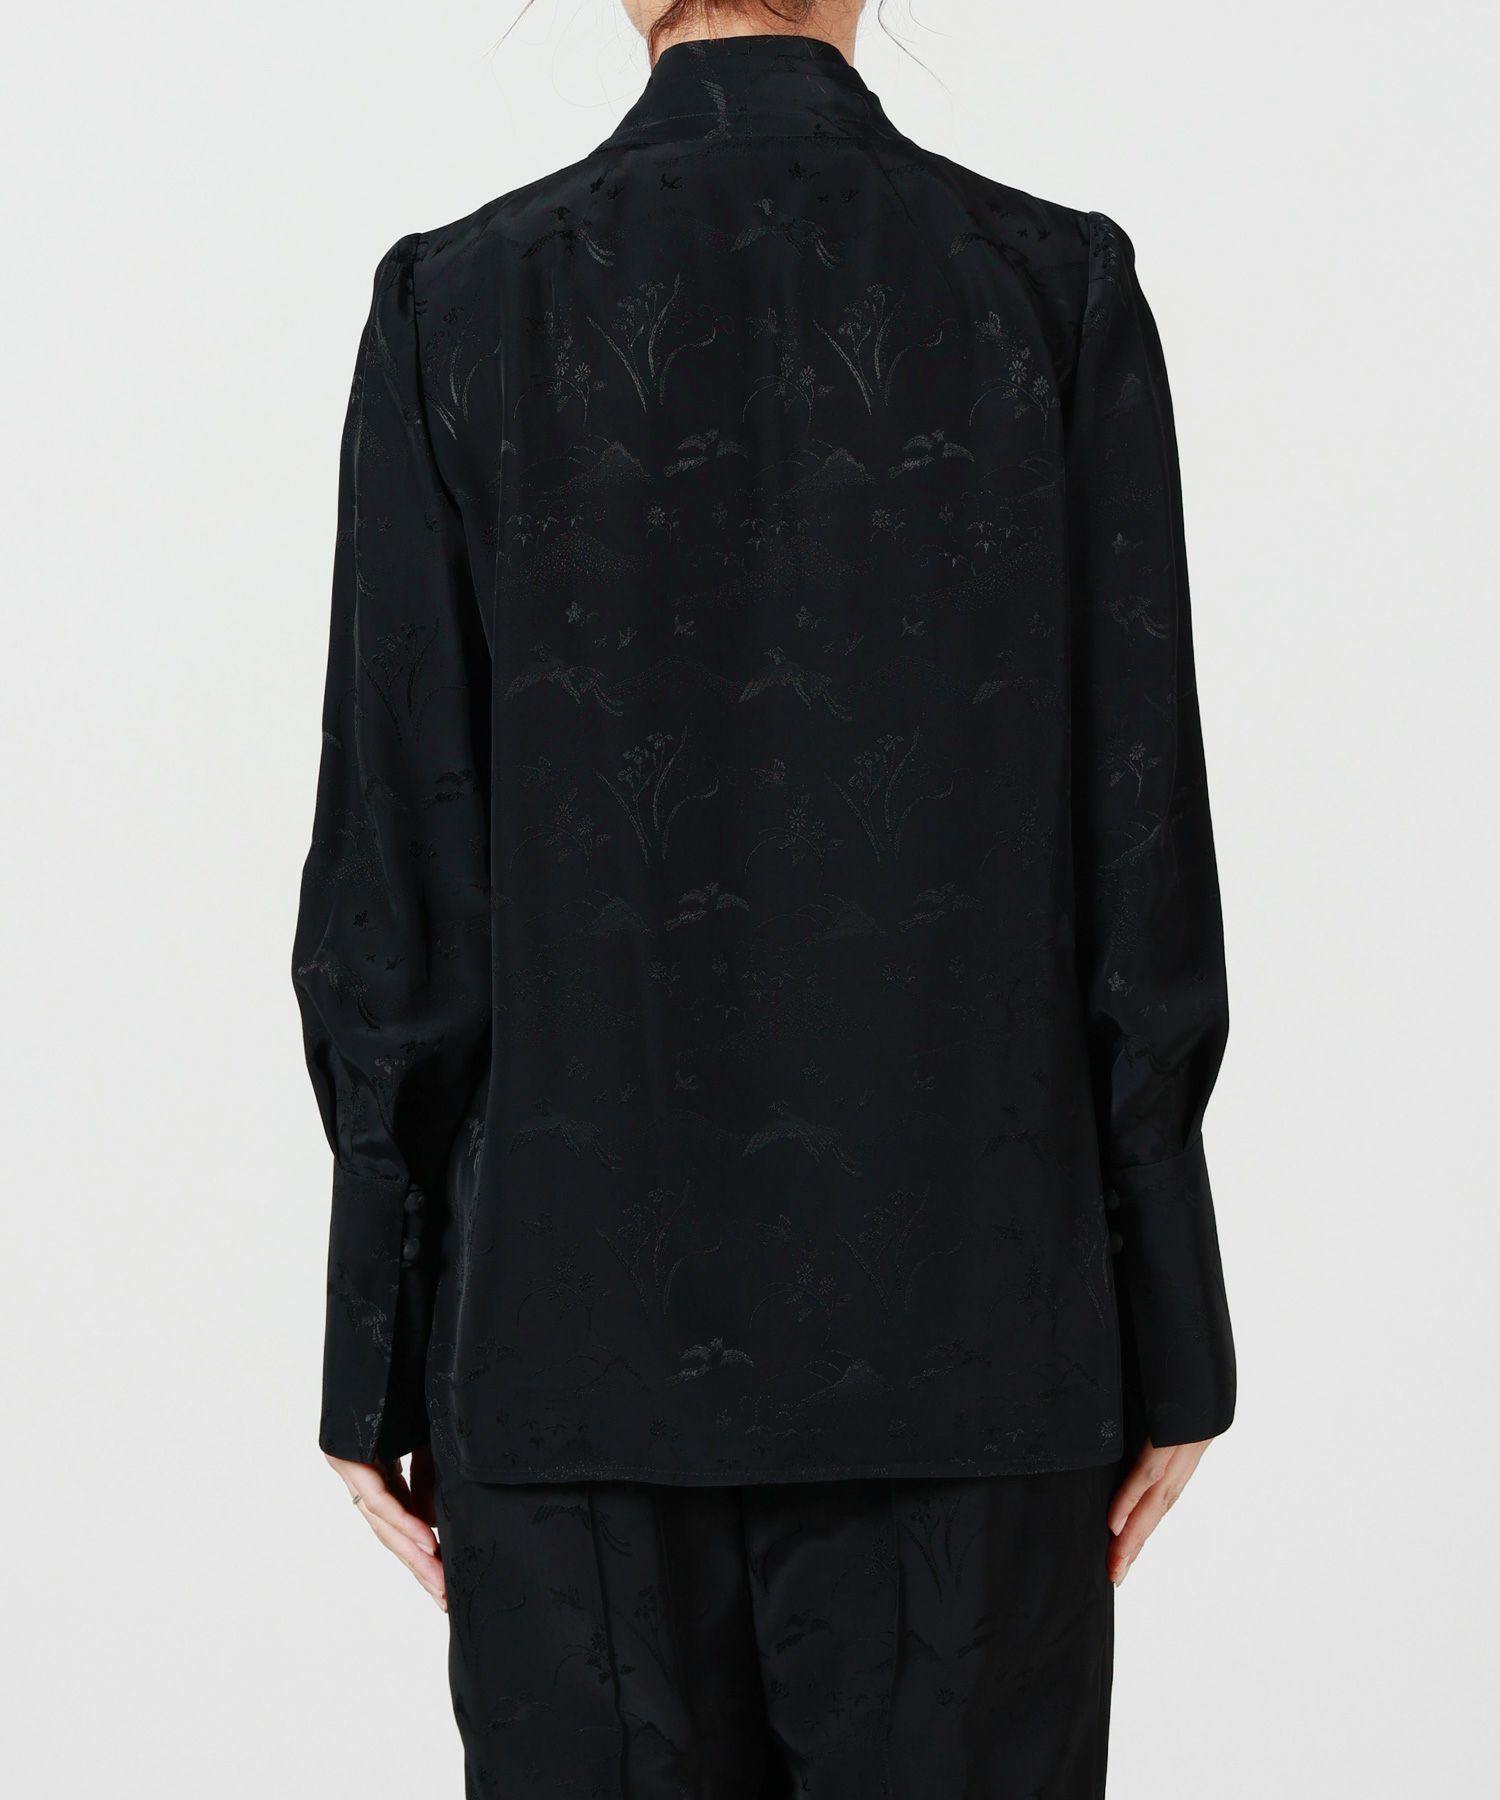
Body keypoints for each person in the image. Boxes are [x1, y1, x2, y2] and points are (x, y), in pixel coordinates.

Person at [291, 1, 1236, 1791]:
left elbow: (393, 907)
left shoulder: (458, 308)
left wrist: (373, 1346)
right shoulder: (1052, 295)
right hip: (979, 1360)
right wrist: (1173, 1335)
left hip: (567, 1373)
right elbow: (1143, 865)